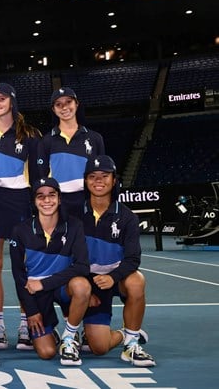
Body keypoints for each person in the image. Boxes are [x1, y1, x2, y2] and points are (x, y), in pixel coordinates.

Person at [0, 83, 41, 350]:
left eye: (1, 98)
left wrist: (37, 208)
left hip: (19, 203)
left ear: (12, 102)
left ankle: (26, 324)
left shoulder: (30, 136)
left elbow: (37, 177)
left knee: (23, 266)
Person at [81, 155, 155, 367]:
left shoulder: (127, 217)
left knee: (137, 281)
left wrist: (113, 277)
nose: (98, 181)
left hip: (117, 278)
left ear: (114, 180)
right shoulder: (74, 215)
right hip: (89, 282)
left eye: (105, 176)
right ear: (86, 181)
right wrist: (87, 287)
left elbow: (133, 259)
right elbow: (69, 256)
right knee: (99, 347)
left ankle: (131, 345)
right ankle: (125, 334)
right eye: (92, 176)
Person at [9, 177, 91, 366]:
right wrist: (31, 311)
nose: (47, 201)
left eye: (51, 196)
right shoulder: (20, 230)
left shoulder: (74, 225)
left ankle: (69, 338)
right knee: (46, 353)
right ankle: (50, 330)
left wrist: (44, 283)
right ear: (34, 201)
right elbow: (18, 275)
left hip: (62, 288)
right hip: (36, 295)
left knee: (81, 286)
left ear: (59, 199)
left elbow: (82, 266)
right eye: (41, 196)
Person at [37, 87, 105, 219]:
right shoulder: (46, 141)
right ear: (53, 109)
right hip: (59, 202)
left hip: (88, 199)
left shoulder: (95, 138)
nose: (64, 107)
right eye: (59, 104)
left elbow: (102, 173)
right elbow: (42, 176)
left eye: (68, 102)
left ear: (76, 104)